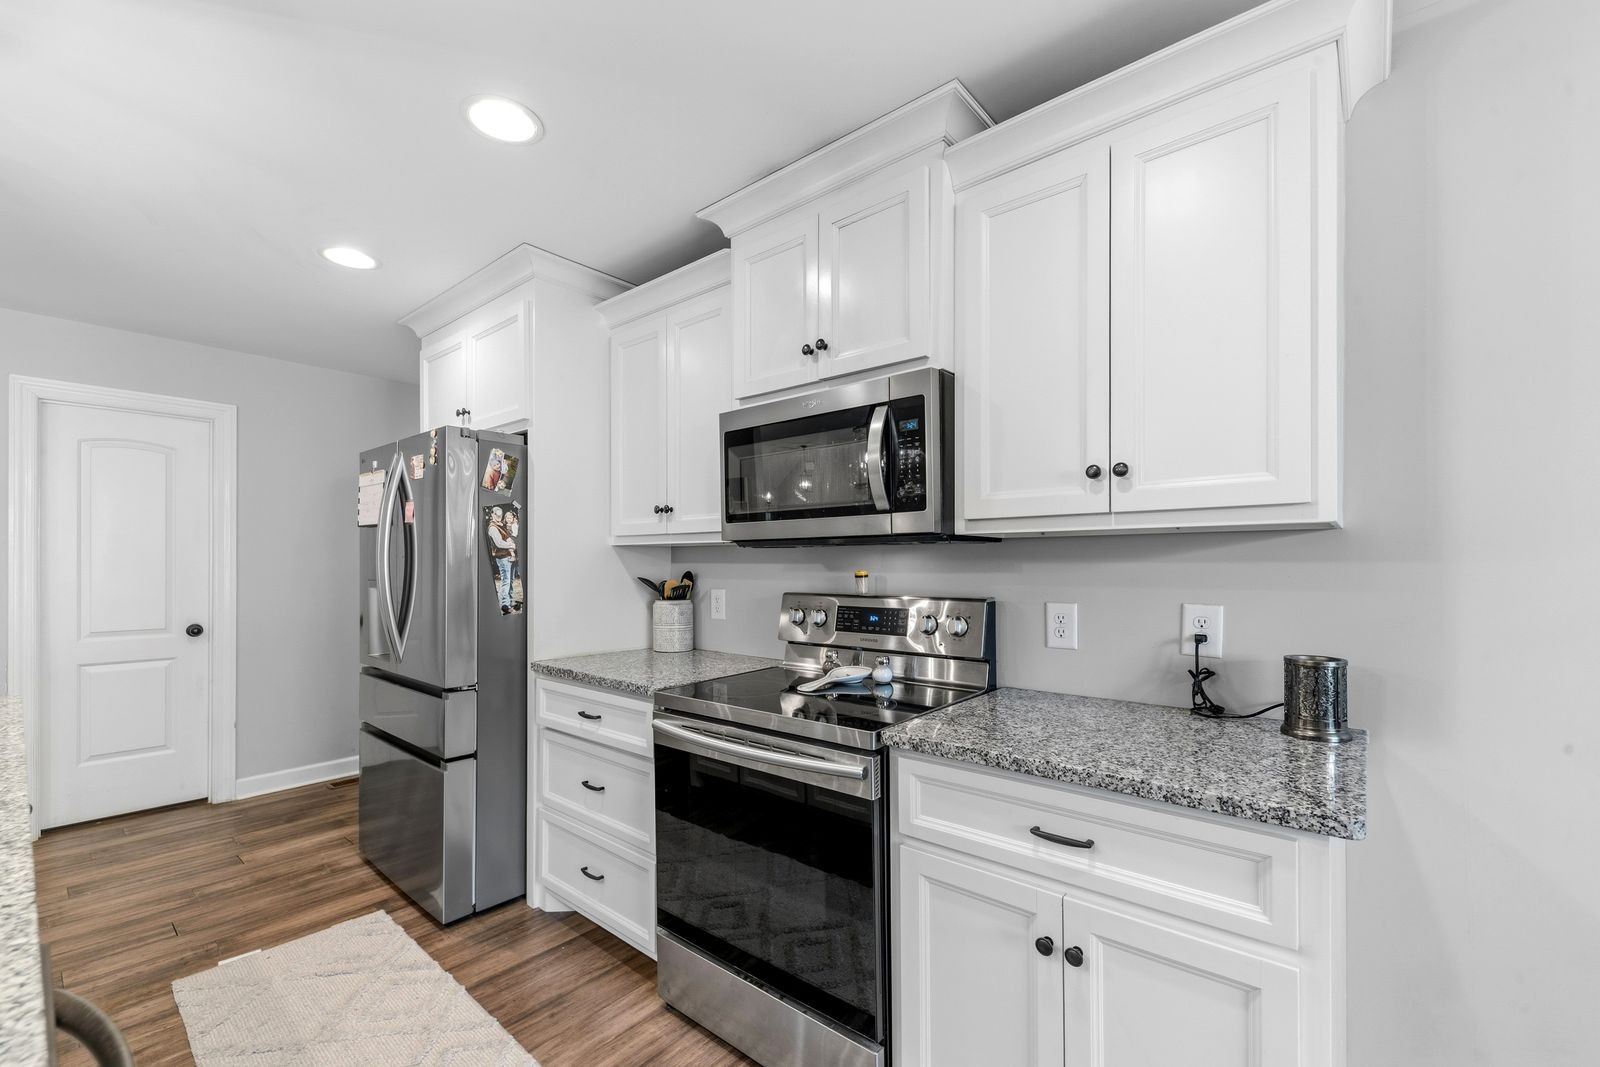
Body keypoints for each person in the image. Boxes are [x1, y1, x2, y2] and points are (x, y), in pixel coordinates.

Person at [486, 506, 517, 614]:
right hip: (503, 558)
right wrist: (511, 545)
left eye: (500, 515)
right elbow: (499, 543)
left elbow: (507, 537)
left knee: (510, 581)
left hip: (508, 556)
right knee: (506, 581)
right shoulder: (493, 528)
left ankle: (510, 603)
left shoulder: (500, 525)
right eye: (496, 515)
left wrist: (510, 542)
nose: (499, 517)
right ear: (492, 515)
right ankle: (505, 605)